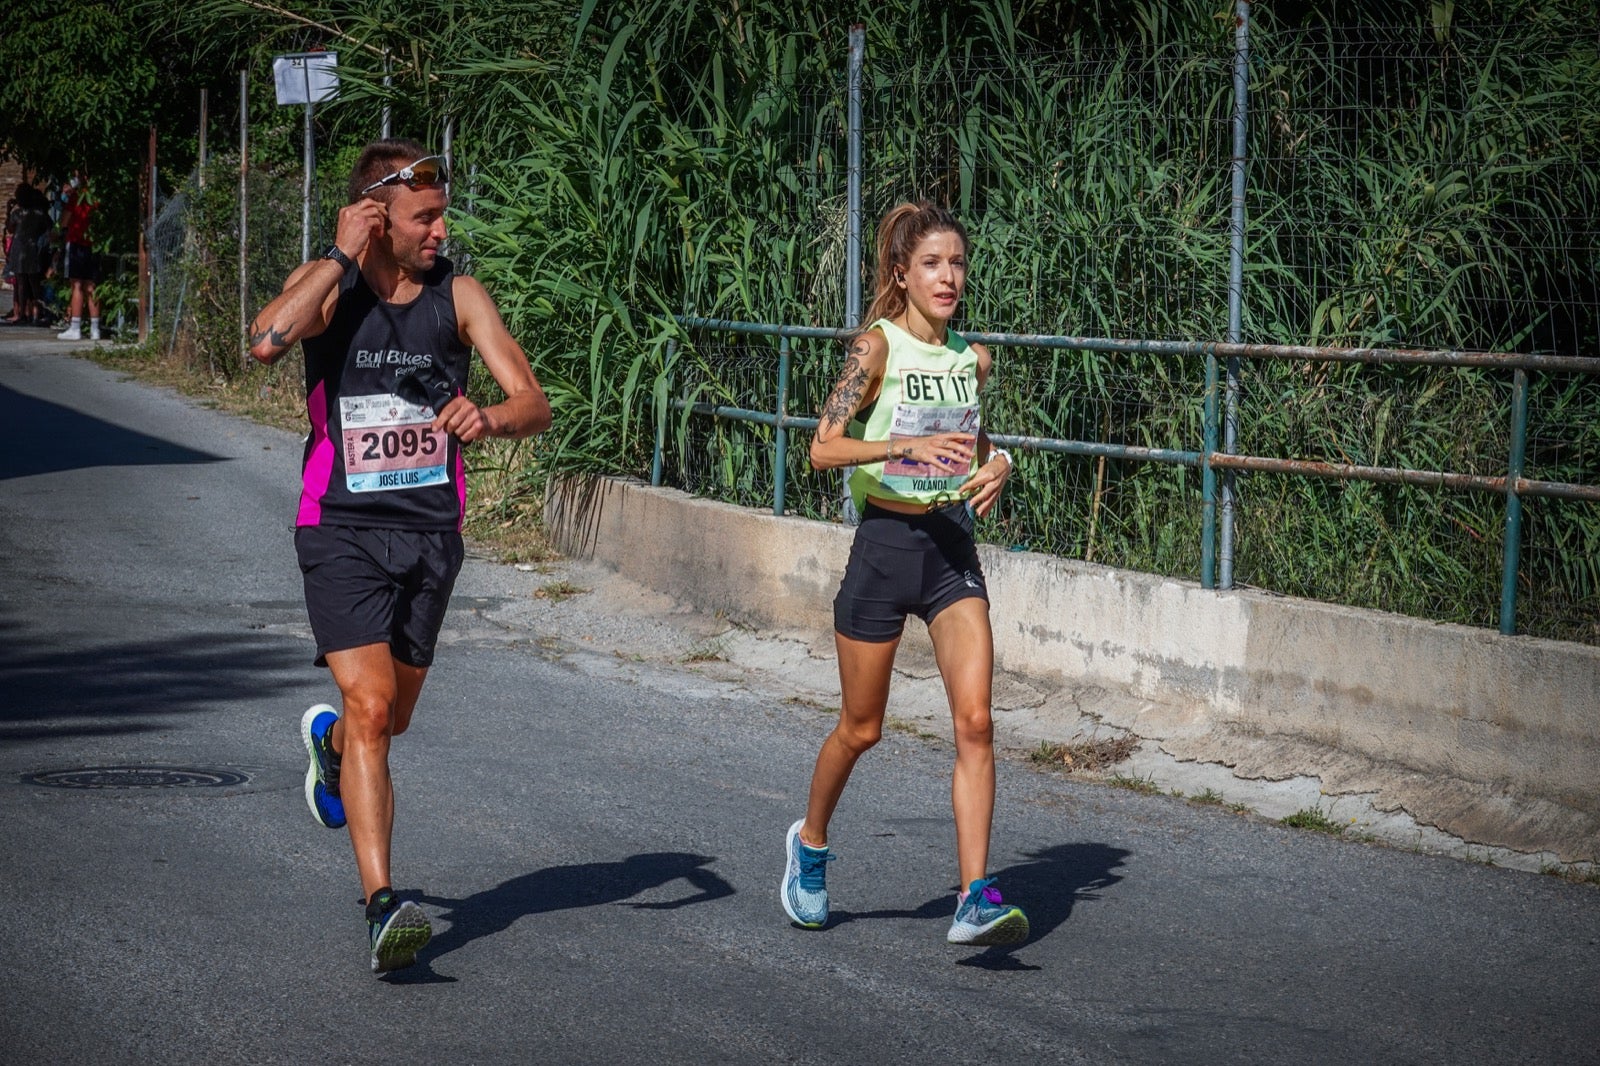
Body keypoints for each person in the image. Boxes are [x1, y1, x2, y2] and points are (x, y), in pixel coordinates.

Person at [248, 138, 552, 973]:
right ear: (378, 218)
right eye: (424, 216)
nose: (440, 228)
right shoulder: (330, 293)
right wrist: (340, 254)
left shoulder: (459, 295)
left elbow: (535, 401)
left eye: (441, 213)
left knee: (391, 717)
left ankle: (332, 750)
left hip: (429, 534)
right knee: (375, 707)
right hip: (338, 527)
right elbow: (267, 342)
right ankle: (383, 904)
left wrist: (489, 418)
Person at [780, 201, 1027, 946]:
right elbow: (822, 448)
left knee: (977, 723)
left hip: (950, 548)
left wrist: (1001, 464)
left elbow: (973, 442)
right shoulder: (876, 348)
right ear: (902, 274)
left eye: (956, 263)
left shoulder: (971, 359)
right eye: (931, 264)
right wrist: (896, 453)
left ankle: (974, 895)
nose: (947, 277)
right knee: (862, 729)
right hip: (885, 547)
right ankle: (810, 845)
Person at [56, 169, 100, 342]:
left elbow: (65, 221)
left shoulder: (76, 197)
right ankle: (95, 329)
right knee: (92, 286)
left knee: (76, 285)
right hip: (94, 243)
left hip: (76, 242)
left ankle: (75, 328)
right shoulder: (97, 197)